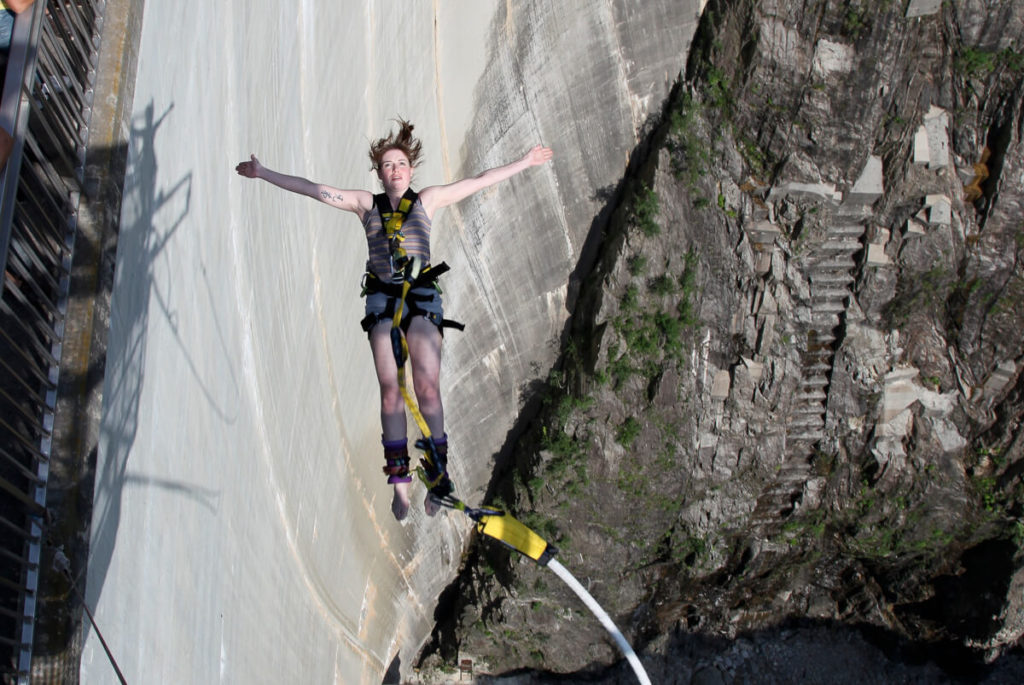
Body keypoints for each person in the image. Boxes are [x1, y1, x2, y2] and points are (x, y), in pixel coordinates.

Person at [236, 119, 553, 521]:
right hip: (383, 301)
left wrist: (524, 162)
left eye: (400, 163)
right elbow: (313, 189)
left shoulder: (429, 200)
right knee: (390, 390)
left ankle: (438, 481)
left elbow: (479, 181)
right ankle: (400, 486)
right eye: (387, 165)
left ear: (411, 169)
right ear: (379, 172)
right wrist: (263, 173)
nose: (395, 170)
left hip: (420, 299)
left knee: (427, 386)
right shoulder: (364, 205)